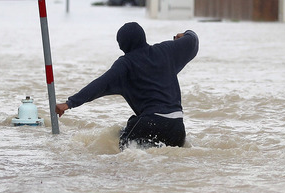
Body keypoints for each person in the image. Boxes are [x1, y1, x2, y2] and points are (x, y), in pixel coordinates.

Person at [55, 22, 199, 149]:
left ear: (122, 45)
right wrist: (186, 33)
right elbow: (193, 40)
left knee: (122, 152)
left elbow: (99, 84)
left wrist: (69, 103)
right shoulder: (166, 50)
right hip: (178, 130)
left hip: (150, 124)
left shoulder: (125, 65)